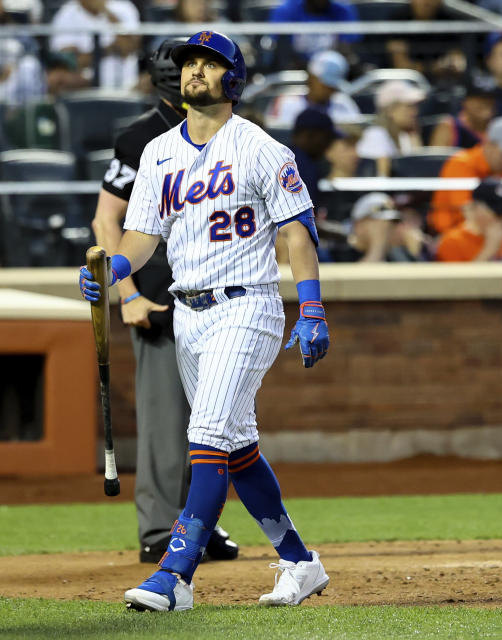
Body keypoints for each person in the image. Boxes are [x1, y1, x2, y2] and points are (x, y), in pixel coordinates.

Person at [79, 30, 331, 611]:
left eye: (209, 63)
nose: (194, 71)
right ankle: (298, 562)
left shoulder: (263, 148)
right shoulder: (158, 152)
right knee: (238, 447)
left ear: (234, 79)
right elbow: (141, 239)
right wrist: (112, 269)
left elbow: (298, 232)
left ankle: (176, 575)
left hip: (247, 305)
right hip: (188, 313)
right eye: (188, 62)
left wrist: (312, 306)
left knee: (208, 437)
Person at [88, 38, 239, 566]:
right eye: (187, 66)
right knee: (164, 420)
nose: (195, 74)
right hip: (154, 290)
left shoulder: (231, 133)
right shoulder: (141, 137)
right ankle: (158, 527)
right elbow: (107, 220)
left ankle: (199, 525)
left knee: (213, 418)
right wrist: (123, 293)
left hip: (217, 290)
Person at [428, 116, 502, 234]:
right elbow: (469, 217)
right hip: (455, 236)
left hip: (497, 232)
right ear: (489, 145)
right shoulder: (461, 164)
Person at [49, 0, 141, 89]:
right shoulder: (66, 13)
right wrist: (110, 49)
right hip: (84, 84)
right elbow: (70, 62)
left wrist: (105, 11)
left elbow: (128, 48)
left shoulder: (125, 8)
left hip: (124, 84)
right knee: (56, 78)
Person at [436, 180, 502, 262]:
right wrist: (489, 249)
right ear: (474, 207)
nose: (500, 217)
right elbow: (457, 279)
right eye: (495, 211)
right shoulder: (452, 242)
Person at [265, 50, 360, 128]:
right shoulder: (285, 103)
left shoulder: (344, 104)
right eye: (326, 84)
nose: (331, 90)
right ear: (311, 77)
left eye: (333, 86)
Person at [356, 80, 425, 176]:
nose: (415, 112)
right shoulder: (376, 135)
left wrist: (414, 137)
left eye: (415, 106)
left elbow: (418, 174)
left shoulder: (405, 136)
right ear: (390, 110)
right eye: (409, 106)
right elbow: (381, 179)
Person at [269, 0, 360, 62]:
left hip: (332, 72)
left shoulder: (343, 10)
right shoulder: (286, 9)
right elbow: (281, 48)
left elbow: (346, 48)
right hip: (295, 71)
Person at [289, 107, 340, 206]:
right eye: (326, 137)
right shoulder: (302, 166)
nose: (329, 143)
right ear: (308, 136)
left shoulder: (287, 156)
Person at [428, 76, 497, 149]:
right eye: (480, 98)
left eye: (491, 98)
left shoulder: (499, 128)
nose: (486, 103)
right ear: (465, 101)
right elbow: (436, 159)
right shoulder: (449, 127)